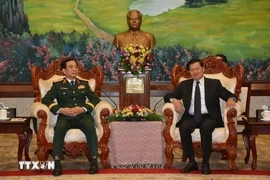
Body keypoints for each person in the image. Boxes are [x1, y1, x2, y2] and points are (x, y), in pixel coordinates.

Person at [164, 59, 237, 175]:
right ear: (189, 72)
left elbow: (228, 95)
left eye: (197, 69)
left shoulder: (214, 83)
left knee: (206, 127)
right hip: (192, 116)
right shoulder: (184, 85)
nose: (195, 72)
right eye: (192, 70)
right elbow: (168, 96)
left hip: (209, 117)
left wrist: (230, 99)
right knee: (184, 127)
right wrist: (175, 100)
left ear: (203, 69)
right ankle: (192, 162)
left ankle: (205, 162)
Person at [41, 58, 101, 176]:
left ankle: (94, 161)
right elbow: (46, 99)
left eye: (76, 67)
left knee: (90, 127)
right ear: (64, 70)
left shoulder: (84, 84)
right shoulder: (57, 85)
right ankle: (57, 162)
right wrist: (60, 109)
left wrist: (82, 108)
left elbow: (95, 99)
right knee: (59, 128)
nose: (74, 69)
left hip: (83, 116)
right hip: (65, 117)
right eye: (71, 67)